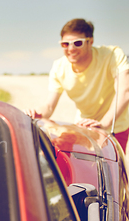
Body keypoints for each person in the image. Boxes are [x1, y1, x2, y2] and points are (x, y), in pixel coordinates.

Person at [25, 18, 129, 151]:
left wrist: (104, 123)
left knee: (114, 169)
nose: (71, 49)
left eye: (77, 43)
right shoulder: (59, 67)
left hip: (115, 125)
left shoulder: (113, 55)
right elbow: (49, 106)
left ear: (90, 41)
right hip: (84, 125)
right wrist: (35, 114)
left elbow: (124, 92)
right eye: (65, 44)